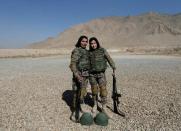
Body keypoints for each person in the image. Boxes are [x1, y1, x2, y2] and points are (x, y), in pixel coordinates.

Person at [89, 37, 116, 117]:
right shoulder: (89, 53)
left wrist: (113, 68)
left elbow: (109, 58)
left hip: (101, 74)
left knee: (103, 91)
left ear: (97, 43)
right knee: (94, 91)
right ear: (90, 45)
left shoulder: (102, 50)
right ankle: (95, 105)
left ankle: (104, 107)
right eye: (91, 44)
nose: (93, 45)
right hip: (92, 75)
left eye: (94, 43)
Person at [69, 35, 90, 122]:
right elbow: (72, 64)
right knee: (76, 94)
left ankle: (79, 107)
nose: (84, 43)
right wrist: (77, 76)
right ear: (79, 41)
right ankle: (74, 112)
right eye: (83, 41)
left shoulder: (86, 51)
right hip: (78, 76)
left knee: (82, 93)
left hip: (85, 76)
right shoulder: (76, 50)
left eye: (86, 41)